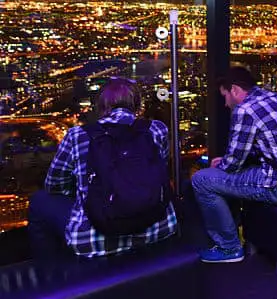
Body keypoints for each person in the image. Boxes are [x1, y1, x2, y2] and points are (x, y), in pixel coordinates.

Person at [28, 78, 177, 258]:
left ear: (102, 106)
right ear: (138, 105)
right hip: (159, 229)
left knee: (39, 200)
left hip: (93, 241)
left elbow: (54, 184)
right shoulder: (157, 129)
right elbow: (161, 168)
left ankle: (47, 271)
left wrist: (85, 189)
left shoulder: (78, 135)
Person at [192, 67, 277, 263]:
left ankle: (229, 248)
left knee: (201, 180)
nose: (226, 104)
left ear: (235, 90)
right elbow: (274, 143)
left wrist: (218, 167)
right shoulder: (276, 97)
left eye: (225, 96)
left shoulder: (245, 109)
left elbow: (233, 164)